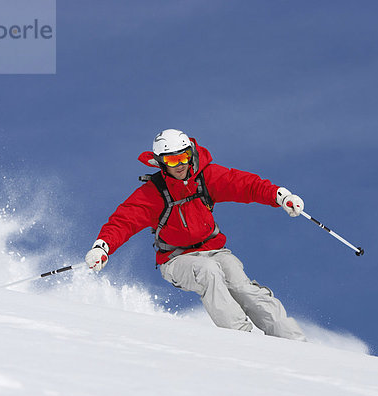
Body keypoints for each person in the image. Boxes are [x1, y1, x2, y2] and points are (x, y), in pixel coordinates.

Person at [85, 129, 307, 341]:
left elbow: (243, 184)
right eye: (172, 161)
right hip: (177, 259)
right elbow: (124, 220)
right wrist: (102, 246)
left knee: (241, 286)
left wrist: (279, 196)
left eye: (183, 157)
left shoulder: (205, 177)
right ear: (161, 162)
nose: (180, 165)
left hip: (215, 250)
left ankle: (292, 341)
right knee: (208, 273)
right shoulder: (153, 193)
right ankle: (243, 339)